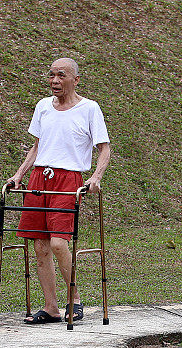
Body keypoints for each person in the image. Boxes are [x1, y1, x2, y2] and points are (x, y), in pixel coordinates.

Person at [6, 57, 110, 324]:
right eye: (51, 75)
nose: (54, 80)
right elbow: (38, 146)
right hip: (40, 177)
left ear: (75, 79)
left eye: (61, 75)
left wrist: (96, 177)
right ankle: (51, 307)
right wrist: (19, 175)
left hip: (68, 180)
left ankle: (74, 299)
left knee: (57, 242)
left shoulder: (89, 108)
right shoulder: (43, 107)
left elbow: (104, 148)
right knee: (40, 245)